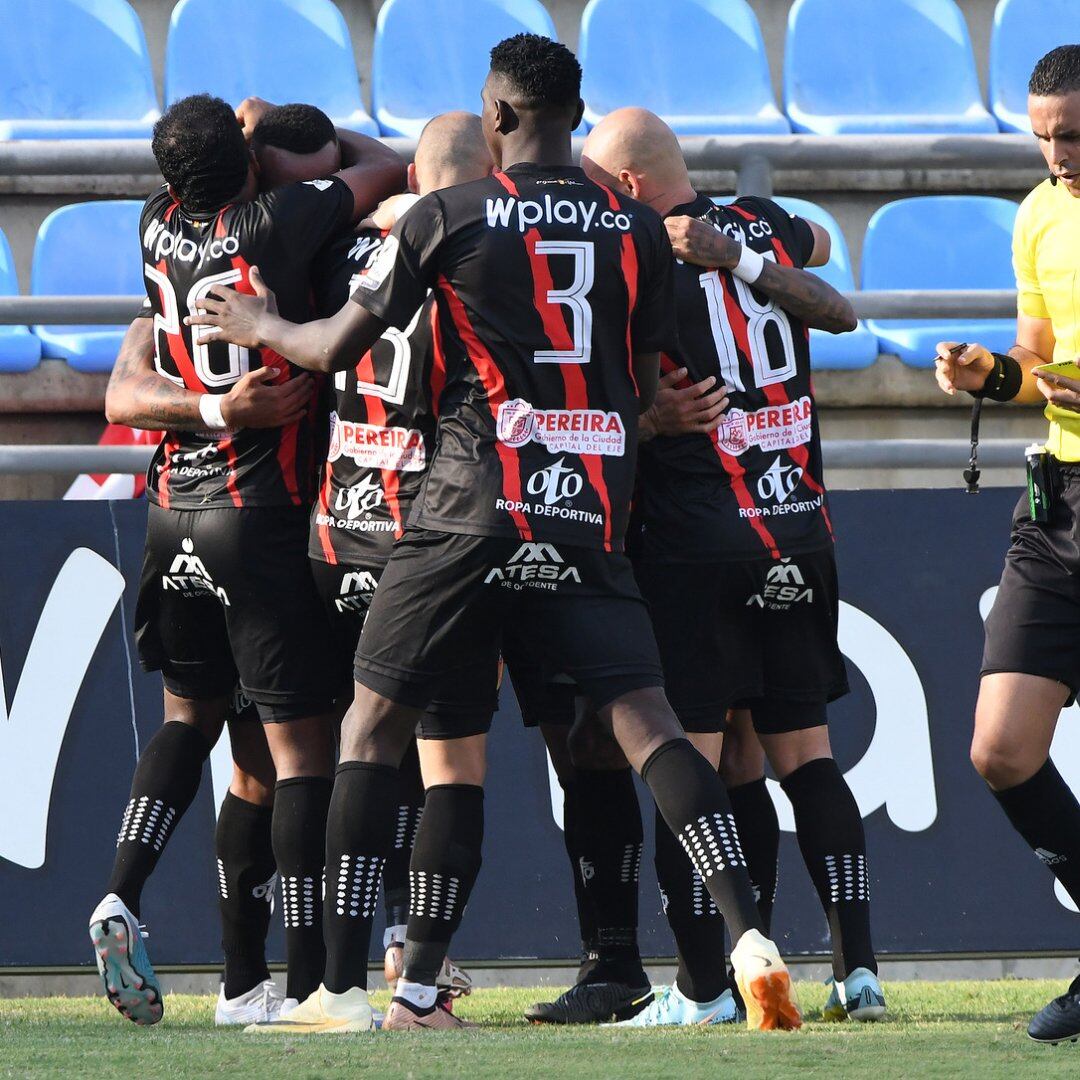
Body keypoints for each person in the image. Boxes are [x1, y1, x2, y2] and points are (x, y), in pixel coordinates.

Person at [190, 34, 803, 1035]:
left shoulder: (449, 215)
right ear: (575, 113)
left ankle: (343, 989)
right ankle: (748, 941)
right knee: (648, 725)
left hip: (465, 508)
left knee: (372, 729)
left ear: (502, 119)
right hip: (589, 506)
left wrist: (256, 323)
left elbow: (332, 345)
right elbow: (643, 386)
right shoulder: (634, 223)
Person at [88, 92, 405, 1028]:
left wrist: (237, 142)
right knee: (300, 750)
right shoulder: (278, 220)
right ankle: (304, 980)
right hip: (259, 512)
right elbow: (389, 165)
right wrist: (283, 143)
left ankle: (144, 911)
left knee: (203, 731)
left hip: (172, 507)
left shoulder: (153, 225)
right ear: (247, 160)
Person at [565, 107, 884, 1026]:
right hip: (798, 531)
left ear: (625, 186)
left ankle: (704, 985)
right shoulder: (763, 220)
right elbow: (824, 251)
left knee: (691, 759)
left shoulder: (631, 255)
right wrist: (749, 254)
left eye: (596, 179)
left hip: (695, 539)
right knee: (800, 756)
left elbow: (598, 390)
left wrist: (646, 415)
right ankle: (857, 972)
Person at [306, 110, 500, 1006]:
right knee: (448, 760)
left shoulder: (338, 247)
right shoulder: (471, 253)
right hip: (429, 535)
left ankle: (339, 974)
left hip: (333, 528)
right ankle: (418, 966)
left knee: (357, 744)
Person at [934, 44, 1080, 1045]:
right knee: (1000, 748)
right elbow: (1038, 364)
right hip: (1057, 499)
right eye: (1042, 136)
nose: (1057, 154)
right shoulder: (1037, 213)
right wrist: (990, 376)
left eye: (1072, 134)